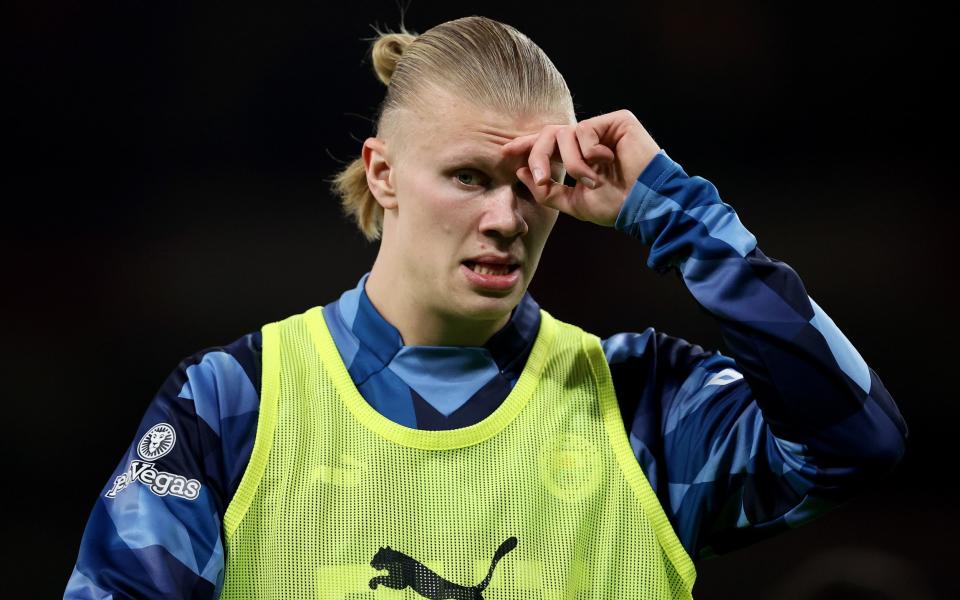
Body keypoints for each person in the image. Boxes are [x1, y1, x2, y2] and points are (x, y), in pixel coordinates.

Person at [65, 15, 908, 599]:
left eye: (535, 183)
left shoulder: (645, 406)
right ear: (384, 173)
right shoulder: (228, 406)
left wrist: (677, 213)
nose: (506, 218)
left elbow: (856, 439)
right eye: (468, 177)